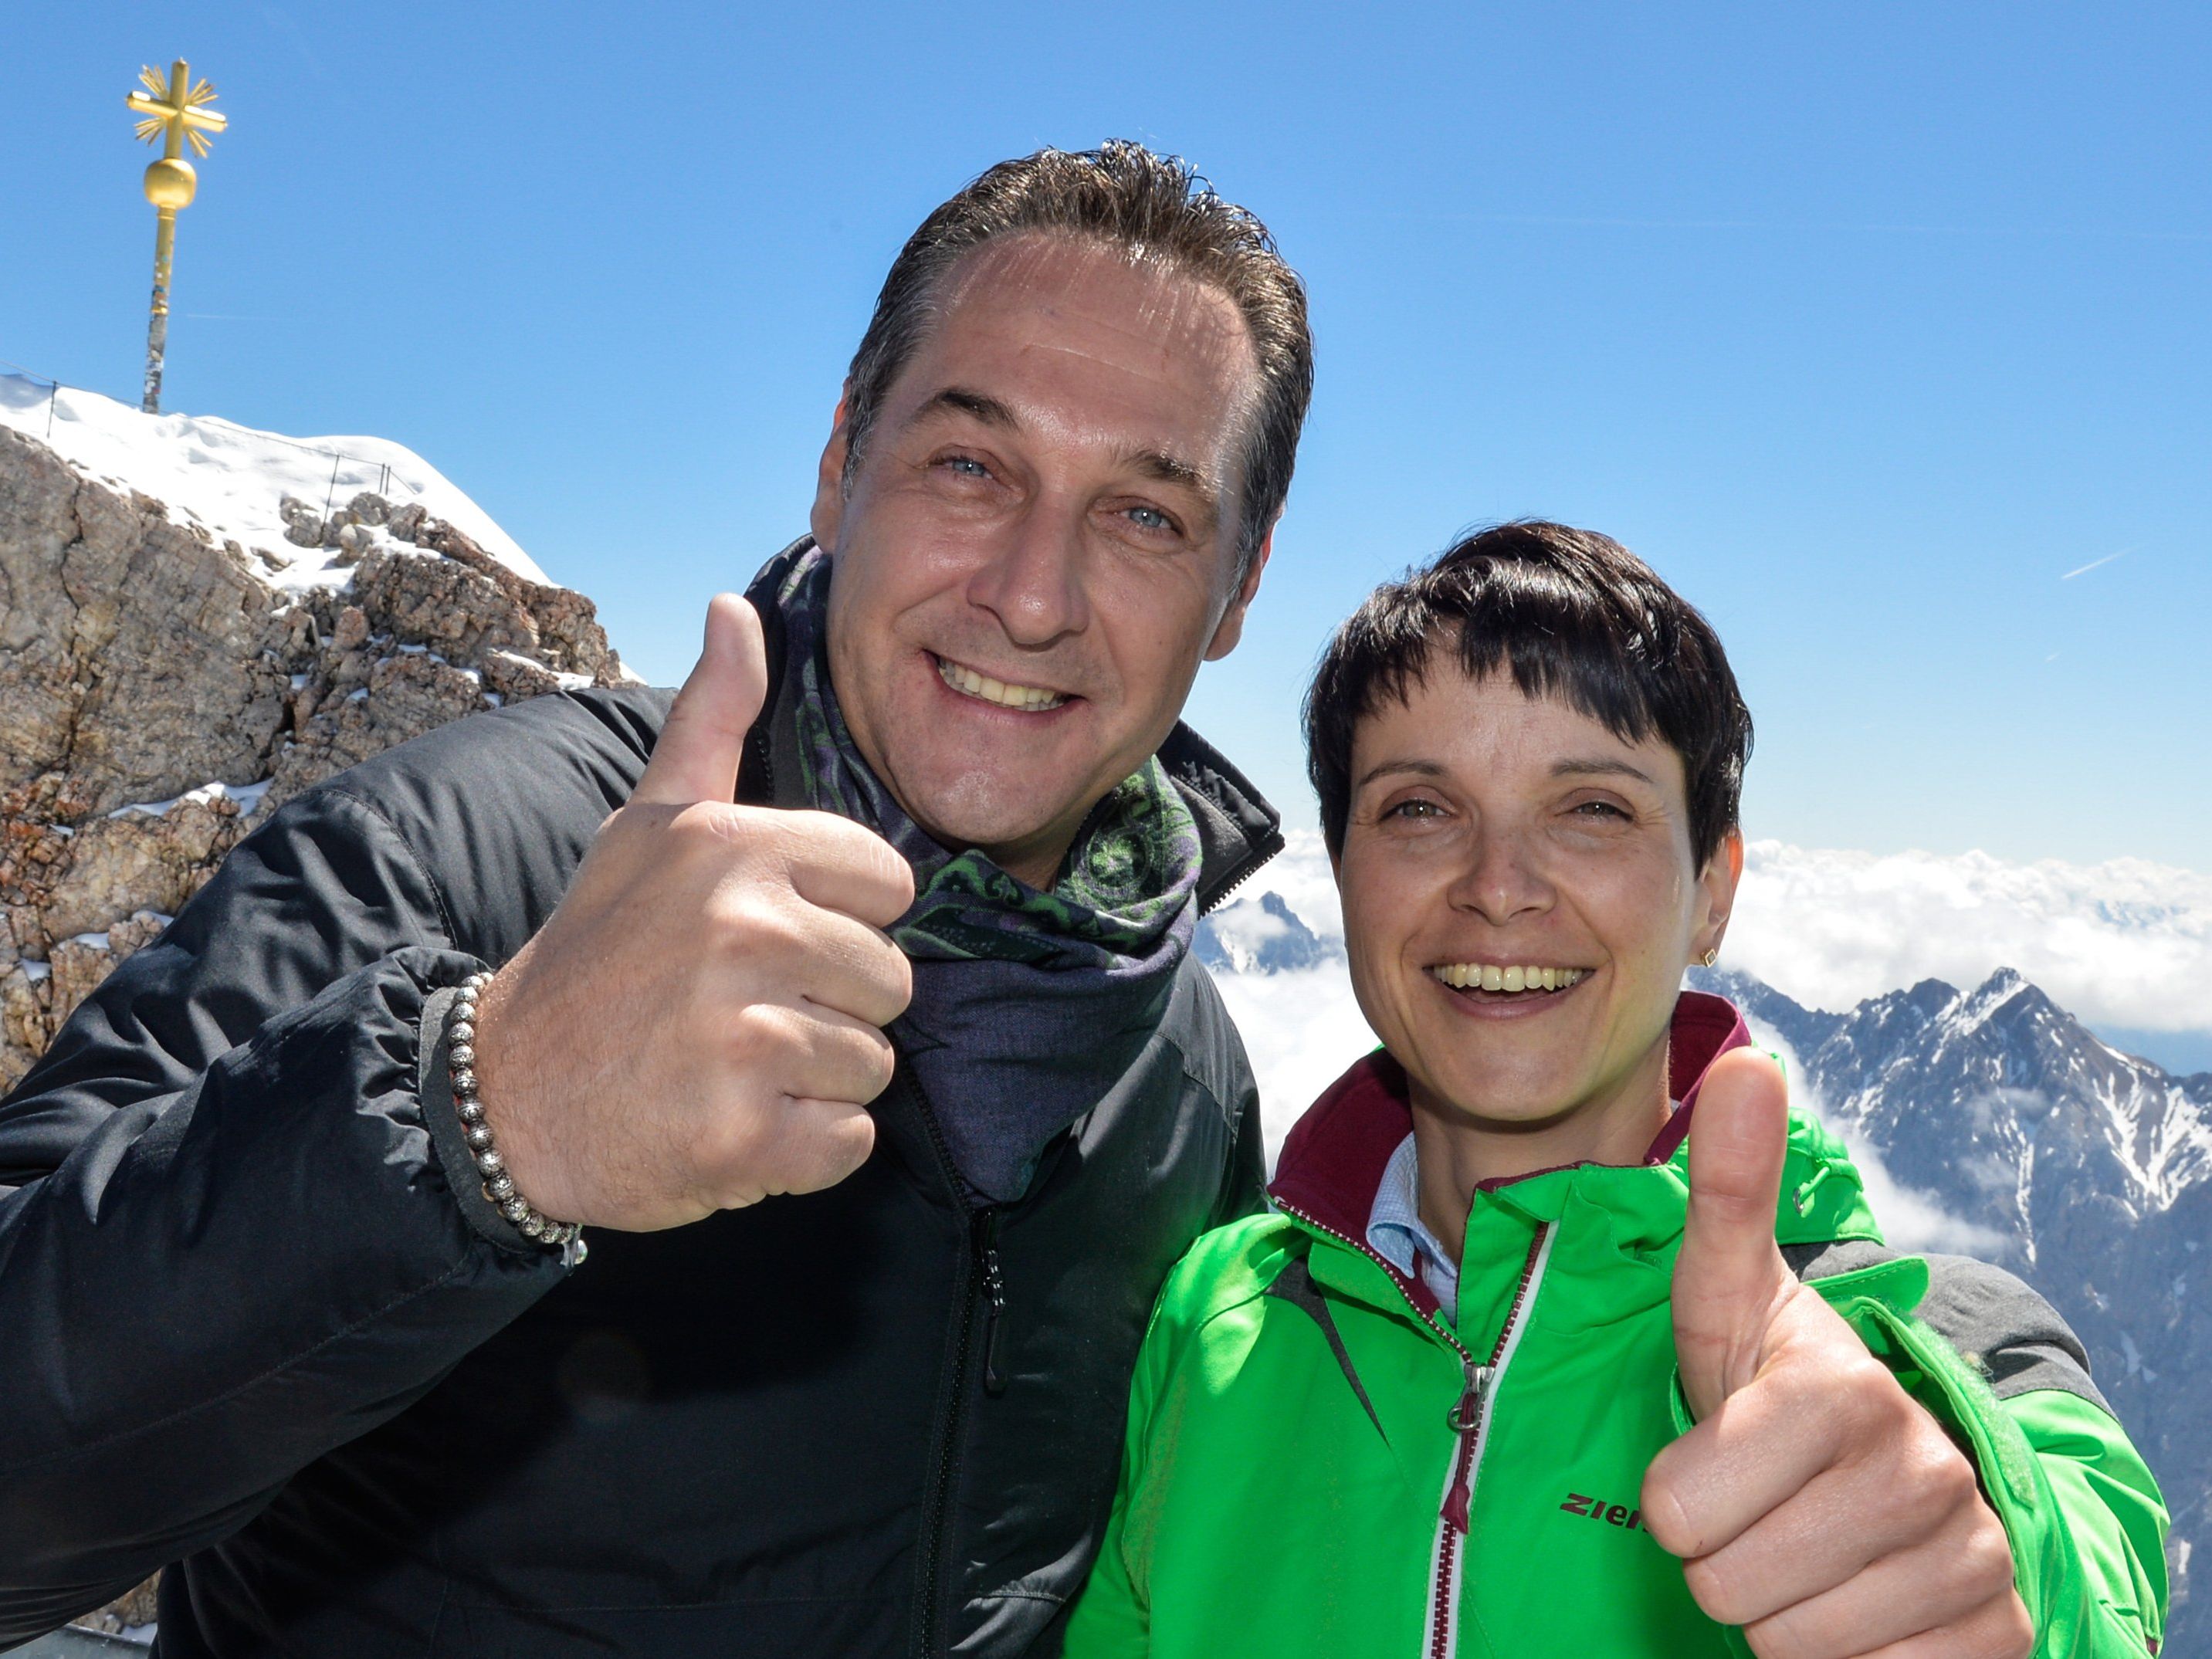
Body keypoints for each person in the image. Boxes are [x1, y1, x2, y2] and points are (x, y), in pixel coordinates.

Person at [0, 150, 2154, 1657]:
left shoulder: (1169, 1062)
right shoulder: (486, 862)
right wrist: (480, 1118)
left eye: (1143, 511)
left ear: (1230, 591)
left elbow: (1973, 1436)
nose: (1034, 589)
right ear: (835, 456)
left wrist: (1997, 1526)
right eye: (966, 461)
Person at [1063, 523, 2169, 1659]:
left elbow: (2094, 1570)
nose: (1497, 887)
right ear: (1342, 871)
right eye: (1415, 810)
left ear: (1710, 888)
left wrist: (1994, 1578)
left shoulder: (1921, 1341)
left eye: (1591, 808)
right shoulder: (1210, 1318)